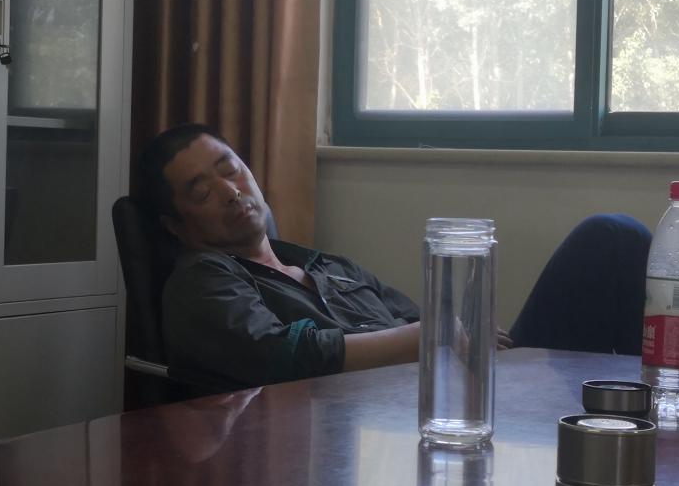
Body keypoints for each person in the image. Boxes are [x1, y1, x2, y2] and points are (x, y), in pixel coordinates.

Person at [138, 124, 651, 390]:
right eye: (201, 191)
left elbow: (420, 321)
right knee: (608, 238)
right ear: (177, 226)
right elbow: (275, 357)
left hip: (463, 386)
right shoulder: (202, 281)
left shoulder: (326, 267)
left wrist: (459, 334)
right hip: (398, 415)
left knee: (613, 239)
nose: (230, 192)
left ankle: (660, 414)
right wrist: (434, 337)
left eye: (230, 169)